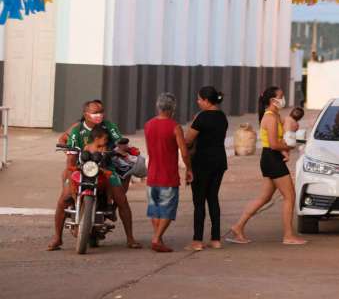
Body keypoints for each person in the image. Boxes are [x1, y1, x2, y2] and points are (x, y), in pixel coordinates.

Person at [48, 100, 141, 251]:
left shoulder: (109, 126)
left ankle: (130, 238)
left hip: (106, 168)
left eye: (101, 112)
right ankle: (57, 238)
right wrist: (70, 172)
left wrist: (121, 147)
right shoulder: (76, 130)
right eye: (95, 112)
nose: (99, 115)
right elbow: (70, 157)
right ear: (86, 115)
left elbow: (120, 141)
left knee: (121, 199)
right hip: (81, 168)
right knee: (63, 200)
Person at [226, 86, 307, 245]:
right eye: (281, 96)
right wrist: (288, 147)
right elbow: (274, 144)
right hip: (272, 158)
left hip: (271, 158)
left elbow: (287, 128)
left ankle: (238, 227)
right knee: (289, 197)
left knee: (264, 198)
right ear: (272, 100)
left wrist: (289, 138)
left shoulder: (275, 115)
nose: (283, 99)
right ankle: (288, 236)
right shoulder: (269, 117)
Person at [144, 93, 193, 253]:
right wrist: (189, 169)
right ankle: (157, 238)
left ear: (158, 107)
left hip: (152, 173)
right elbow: (184, 152)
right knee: (167, 209)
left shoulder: (148, 125)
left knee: (155, 208)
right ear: (173, 108)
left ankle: (158, 237)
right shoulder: (175, 127)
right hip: (168, 174)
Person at [185, 86, 228, 251]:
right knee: (213, 198)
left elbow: (188, 140)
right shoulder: (222, 117)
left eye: (199, 99)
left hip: (202, 162)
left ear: (206, 100)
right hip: (219, 161)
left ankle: (197, 240)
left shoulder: (201, 118)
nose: (198, 102)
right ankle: (216, 238)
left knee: (199, 201)